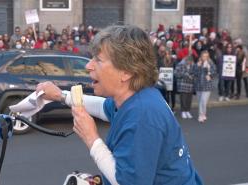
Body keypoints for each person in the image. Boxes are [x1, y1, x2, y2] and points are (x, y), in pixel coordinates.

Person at [37, 25, 202, 184]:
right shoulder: (135, 97)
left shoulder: (143, 115)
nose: (88, 66)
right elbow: (102, 107)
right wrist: (60, 95)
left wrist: (91, 138)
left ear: (126, 72)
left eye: (98, 60)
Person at [193, 51, 217, 123]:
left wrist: (209, 73)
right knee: (200, 101)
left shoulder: (210, 63)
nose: (205, 58)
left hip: (207, 85)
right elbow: (194, 72)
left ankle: (201, 115)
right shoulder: (198, 63)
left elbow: (214, 72)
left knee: (203, 101)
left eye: (206, 56)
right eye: (203, 56)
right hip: (199, 85)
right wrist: (197, 66)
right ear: (201, 56)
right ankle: (203, 114)